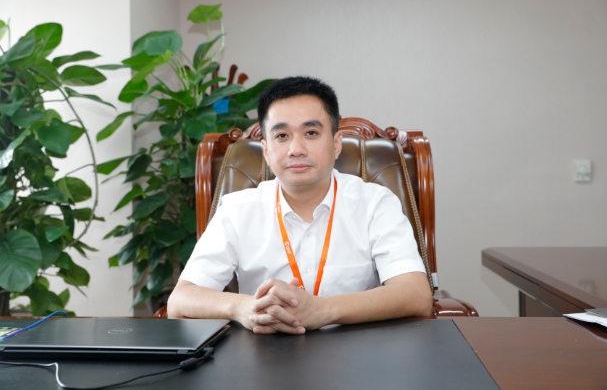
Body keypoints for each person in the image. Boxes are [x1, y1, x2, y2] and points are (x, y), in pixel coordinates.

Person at [167, 76, 433, 334]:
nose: (296, 149)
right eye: (282, 135)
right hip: (262, 353)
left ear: (336, 144)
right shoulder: (237, 210)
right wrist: (244, 308)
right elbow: (181, 300)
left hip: (358, 352)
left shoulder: (375, 204)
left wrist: (322, 310)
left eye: (311, 133)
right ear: (266, 150)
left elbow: (417, 294)